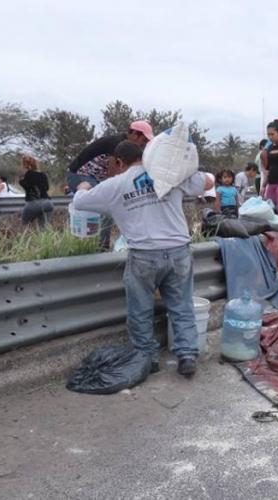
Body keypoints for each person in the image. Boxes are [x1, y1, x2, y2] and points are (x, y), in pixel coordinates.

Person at [72, 140, 213, 378]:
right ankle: (187, 355)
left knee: (140, 309)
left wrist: (83, 185)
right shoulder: (169, 174)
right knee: (182, 306)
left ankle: (147, 359)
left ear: (119, 161)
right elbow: (208, 182)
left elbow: (79, 202)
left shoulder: (115, 184)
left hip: (144, 255)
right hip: (179, 250)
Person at [66, 120, 154, 192]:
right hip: (80, 174)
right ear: (134, 134)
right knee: (96, 199)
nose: (144, 144)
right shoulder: (117, 143)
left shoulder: (129, 148)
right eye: (144, 140)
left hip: (94, 178)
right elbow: (113, 174)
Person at [18, 155, 54, 227]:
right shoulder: (43, 174)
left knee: (24, 225)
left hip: (33, 203)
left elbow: (25, 185)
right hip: (47, 203)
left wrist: (21, 180)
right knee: (44, 229)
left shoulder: (28, 174)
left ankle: (25, 236)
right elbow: (46, 188)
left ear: (24, 165)